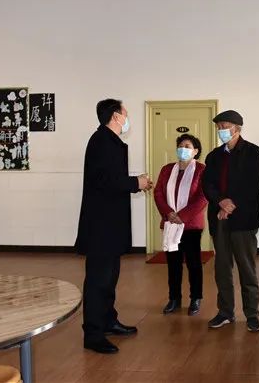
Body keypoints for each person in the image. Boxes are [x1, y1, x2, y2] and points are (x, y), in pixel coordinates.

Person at [76, 99, 153, 354]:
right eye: (125, 113)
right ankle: (93, 334)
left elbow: (112, 179)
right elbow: (105, 181)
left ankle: (108, 320)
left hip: (110, 224)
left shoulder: (110, 141)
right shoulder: (101, 142)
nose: (128, 117)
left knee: (110, 278)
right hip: (101, 226)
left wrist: (134, 182)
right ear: (116, 116)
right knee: (99, 280)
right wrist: (136, 183)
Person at [202, 110, 259, 332]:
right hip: (219, 218)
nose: (221, 130)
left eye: (225, 126)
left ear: (237, 128)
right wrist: (221, 202)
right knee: (222, 269)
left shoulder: (254, 152)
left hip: (243, 220)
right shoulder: (214, 156)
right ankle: (225, 312)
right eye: (219, 127)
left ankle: (252, 314)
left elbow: (252, 185)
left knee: (247, 269)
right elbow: (207, 184)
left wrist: (230, 205)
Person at [153, 134, 208, 316]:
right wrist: (168, 213)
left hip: (191, 225)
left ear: (195, 151)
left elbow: (203, 196)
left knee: (194, 263)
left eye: (187, 146)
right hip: (170, 223)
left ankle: (195, 298)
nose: (183, 149)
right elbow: (158, 193)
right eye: (180, 145)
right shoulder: (167, 169)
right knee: (173, 264)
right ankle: (174, 299)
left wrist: (183, 216)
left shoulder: (201, 170)